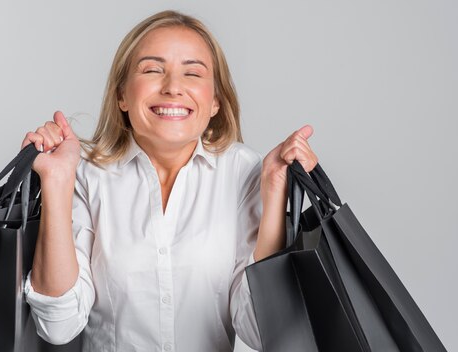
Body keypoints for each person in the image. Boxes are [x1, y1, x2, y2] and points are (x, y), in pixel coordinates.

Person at [20, 10, 319, 352]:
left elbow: (261, 331)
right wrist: (57, 182)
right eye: (152, 70)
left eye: (192, 73)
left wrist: (275, 193)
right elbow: (58, 327)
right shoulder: (86, 174)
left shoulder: (242, 171)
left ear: (215, 102)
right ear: (122, 95)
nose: (173, 87)